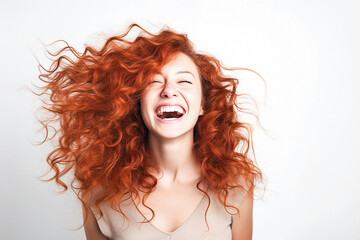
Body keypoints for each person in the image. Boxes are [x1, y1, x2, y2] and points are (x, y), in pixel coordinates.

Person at [36, 23, 263, 240]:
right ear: (137, 101)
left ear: (203, 104)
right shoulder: (98, 189)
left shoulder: (236, 184)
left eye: (184, 81)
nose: (169, 91)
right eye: (154, 81)